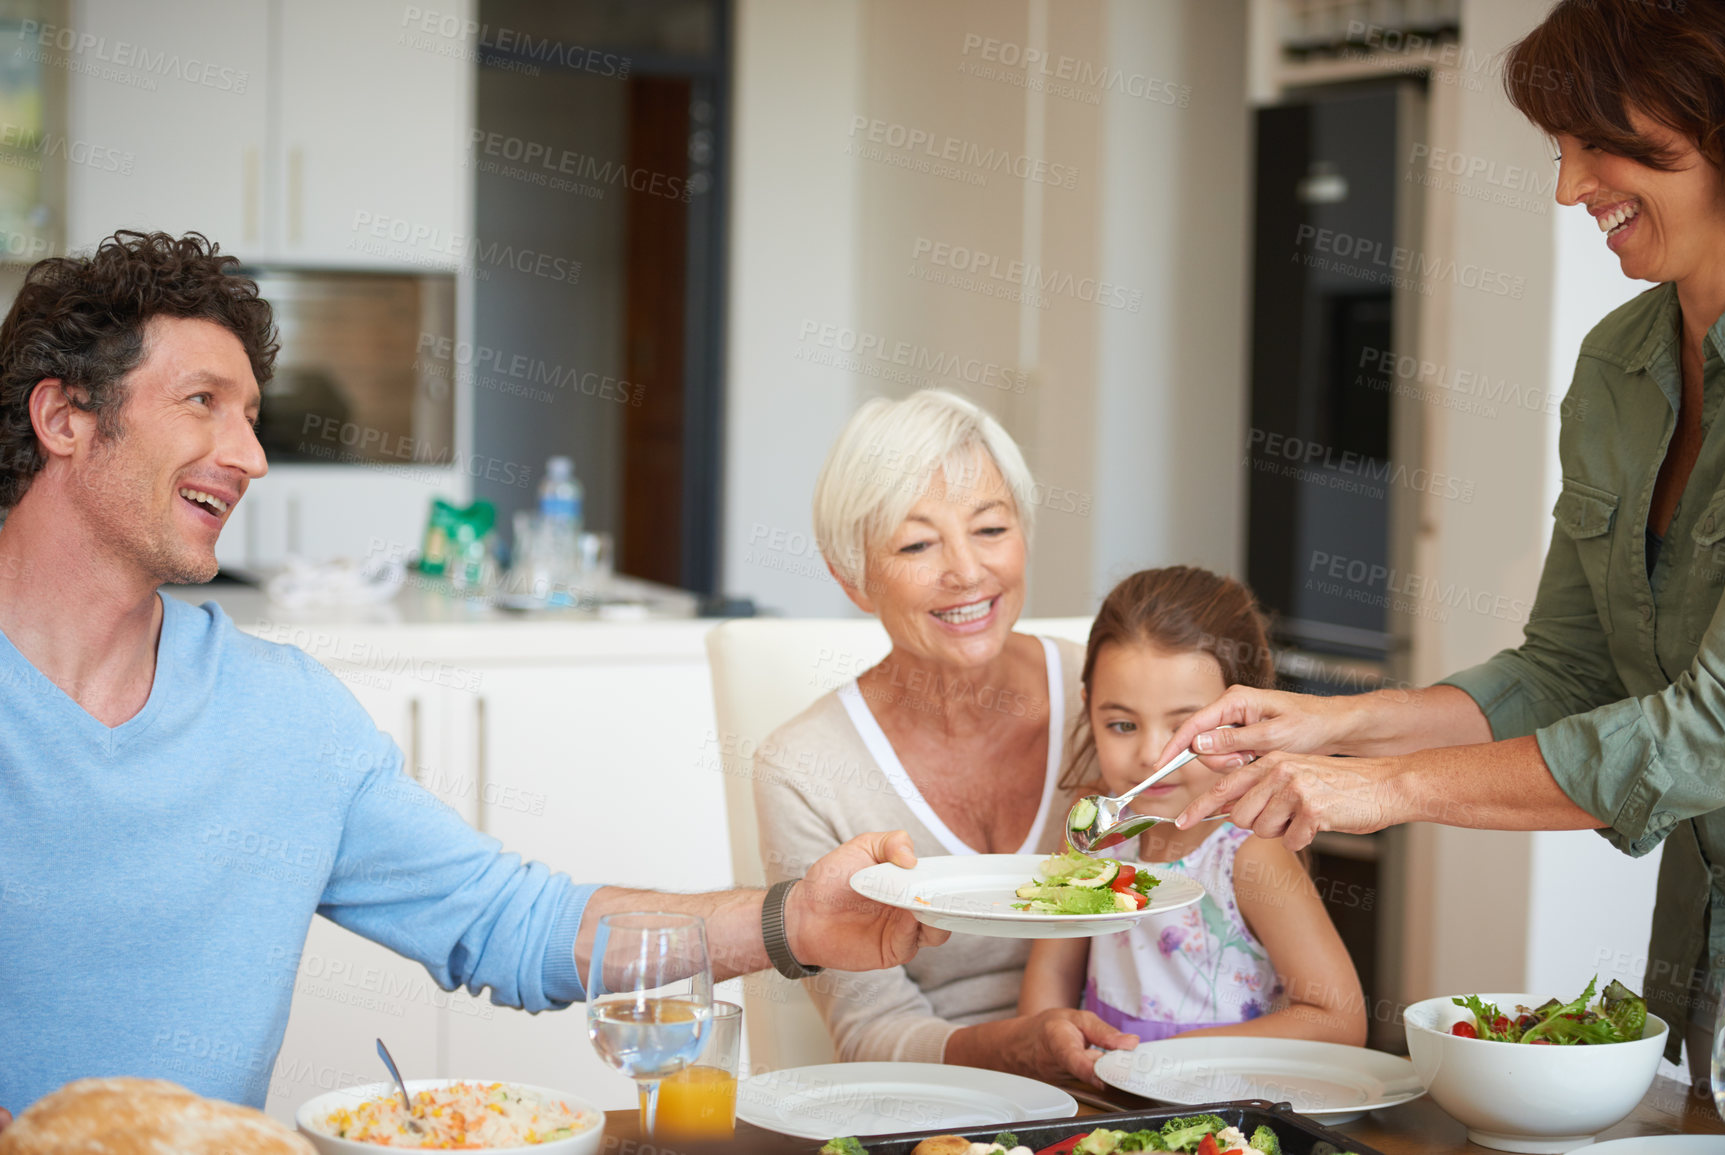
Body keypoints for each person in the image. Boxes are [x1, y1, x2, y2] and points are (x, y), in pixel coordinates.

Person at [0, 231, 946, 1119]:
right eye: (203, 401)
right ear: (65, 417)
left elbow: (512, 922)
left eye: (252, 416)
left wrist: (792, 922)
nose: (249, 456)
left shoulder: (283, 715)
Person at [1154, 0, 1725, 1085]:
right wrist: (1339, 725)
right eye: (1562, 150)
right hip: (1704, 946)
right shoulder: (1620, 363)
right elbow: (1569, 666)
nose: (1571, 188)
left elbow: (1713, 731)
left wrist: (1392, 788)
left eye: (1596, 143)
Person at [753, 390, 1139, 1086]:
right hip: (936, 1102)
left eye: (990, 529)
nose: (965, 570)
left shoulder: (1116, 706)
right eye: (916, 543)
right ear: (852, 576)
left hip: (1136, 1078)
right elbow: (869, 1028)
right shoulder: (801, 766)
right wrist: (1021, 1049)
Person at [1018, 568, 1364, 1045]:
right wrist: (1046, 1057)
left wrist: (1169, 1061)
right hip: (1102, 1098)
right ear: (1089, 707)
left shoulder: (1247, 854)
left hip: (1215, 1110)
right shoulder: (1092, 831)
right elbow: (1052, 975)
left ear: (1247, 721)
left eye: (1187, 734)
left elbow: (1339, 1021)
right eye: (1122, 725)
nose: (1151, 757)